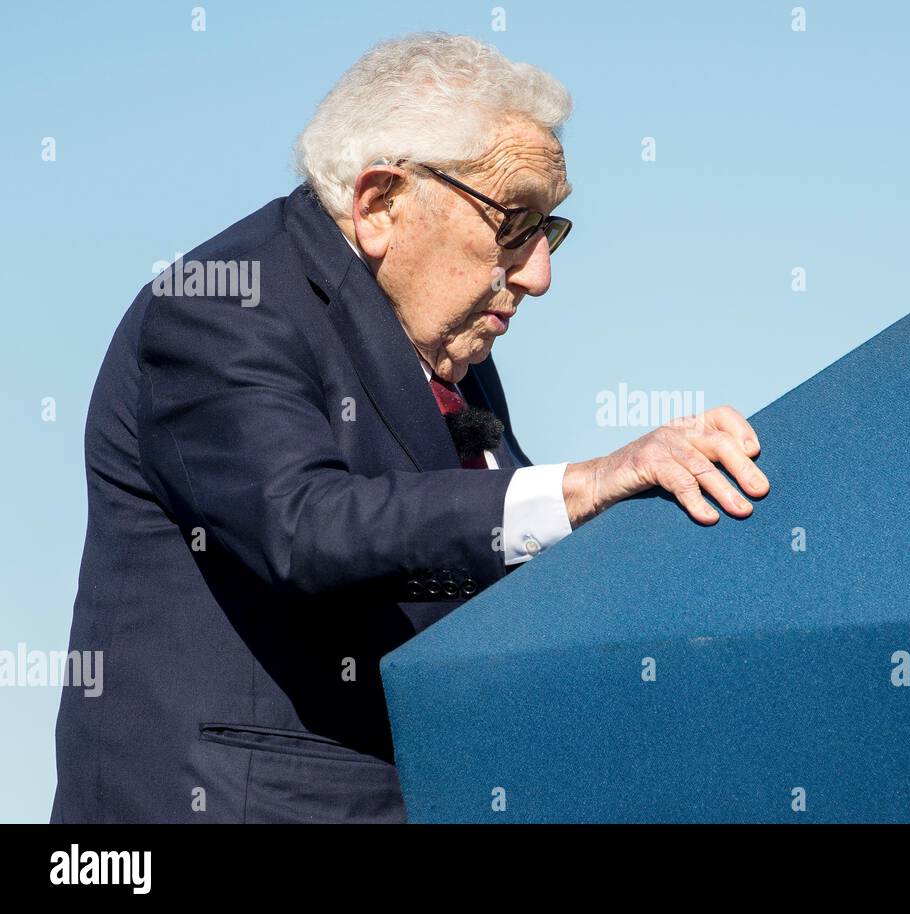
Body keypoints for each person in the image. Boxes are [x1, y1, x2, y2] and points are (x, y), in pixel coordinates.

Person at [51, 32, 769, 823]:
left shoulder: (450, 354)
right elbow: (306, 529)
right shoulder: (220, 306)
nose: (539, 274)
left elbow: (479, 569)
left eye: (548, 231)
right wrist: (589, 484)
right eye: (514, 223)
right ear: (380, 203)